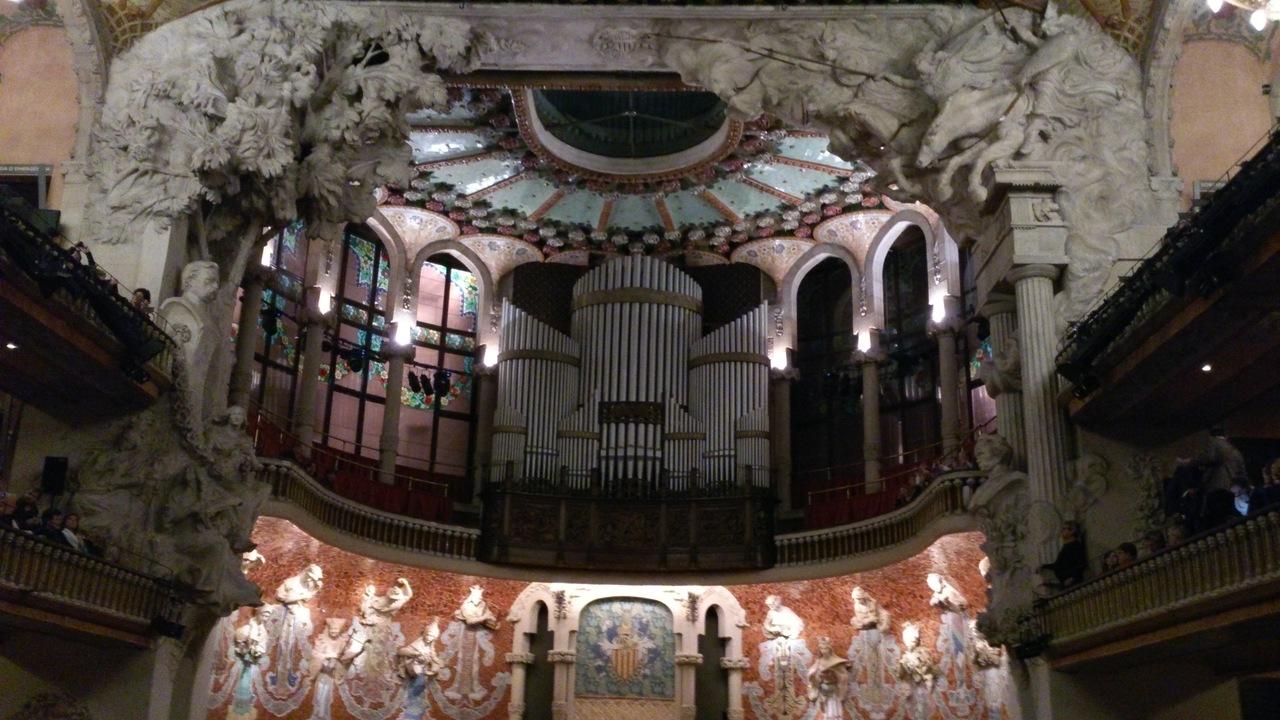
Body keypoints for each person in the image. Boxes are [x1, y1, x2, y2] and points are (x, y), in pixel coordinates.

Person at [1040, 520, 1087, 587]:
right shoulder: (1066, 547)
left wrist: (1073, 578)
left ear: (1072, 531)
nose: (1061, 531)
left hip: (1073, 584)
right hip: (1065, 583)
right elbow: (1057, 565)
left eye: (1064, 529)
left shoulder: (1075, 546)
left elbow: (1082, 563)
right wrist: (1043, 566)